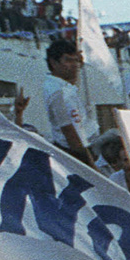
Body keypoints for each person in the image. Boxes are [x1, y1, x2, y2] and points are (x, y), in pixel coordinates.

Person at [40, 38, 95, 167]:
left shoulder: (64, 87)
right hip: (74, 152)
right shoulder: (57, 91)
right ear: (54, 63)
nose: (74, 65)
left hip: (87, 143)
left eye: (76, 60)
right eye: (68, 60)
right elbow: (69, 132)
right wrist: (90, 164)